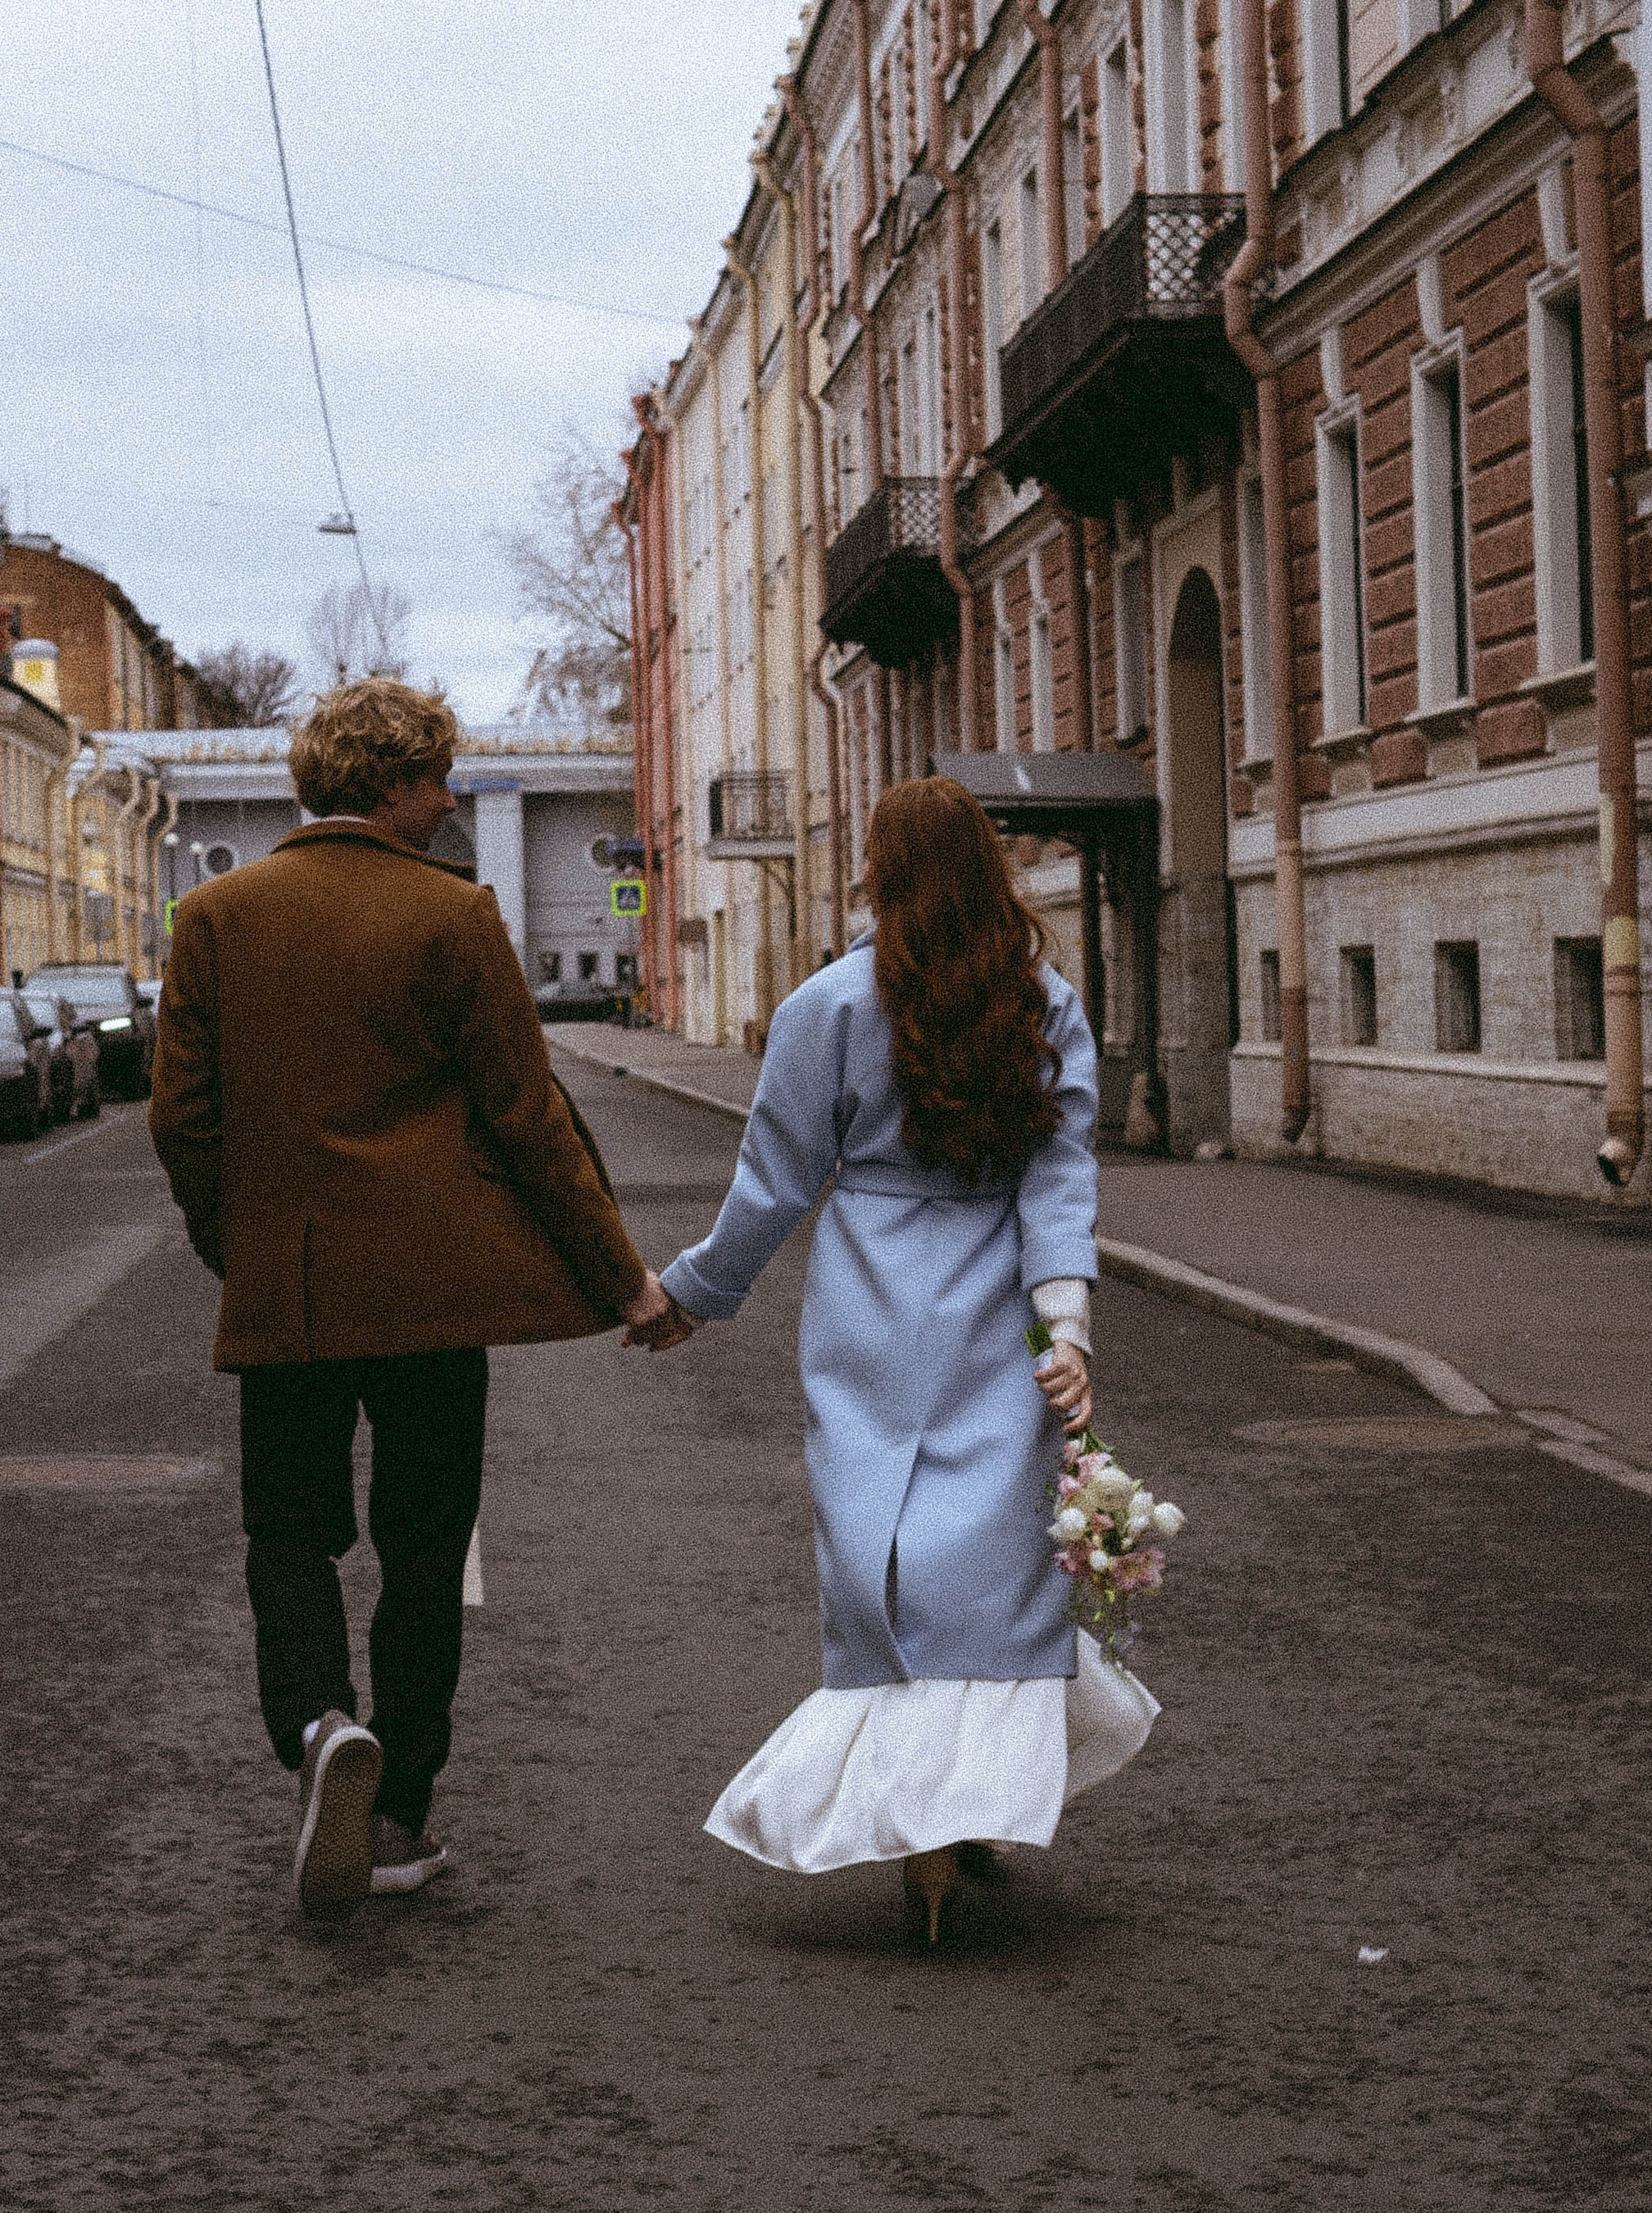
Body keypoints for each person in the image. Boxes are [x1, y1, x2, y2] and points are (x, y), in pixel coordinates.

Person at [149, 676, 676, 1917]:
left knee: (288, 1531)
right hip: (438, 1299)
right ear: (388, 783)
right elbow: (527, 1116)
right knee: (426, 1548)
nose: (448, 802)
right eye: (435, 778)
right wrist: (624, 1278)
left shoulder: (217, 915)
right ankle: (396, 1812)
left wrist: (242, 1246)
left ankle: (318, 1727)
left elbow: (182, 1121)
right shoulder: (452, 917)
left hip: (293, 1286)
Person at [642, 774, 1158, 1943]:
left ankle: (925, 1832)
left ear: (878, 873)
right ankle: (966, 1808)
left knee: (881, 1562)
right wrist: (1066, 1325)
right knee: (992, 1567)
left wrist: (691, 1294)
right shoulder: (1045, 1004)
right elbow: (1060, 1176)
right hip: (996, 1303)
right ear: (989, 870)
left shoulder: (826, 1007)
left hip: (872, 1296)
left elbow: (773, 1183)